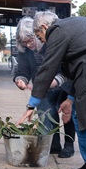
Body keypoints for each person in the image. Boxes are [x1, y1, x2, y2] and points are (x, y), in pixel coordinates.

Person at [17, 11, 86, 169]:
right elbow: (75, 66)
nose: (42, 41)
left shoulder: (57, 31)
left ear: (45, 27)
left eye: (39, 36)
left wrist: (32, 104)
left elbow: (47, 69)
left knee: (81, 116)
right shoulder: (78, 23)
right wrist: (70, 97)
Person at [14, 17, 75, 158]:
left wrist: (54, 81)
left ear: (37, 35)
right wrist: (20, 80)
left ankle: (69, 144)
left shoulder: (52, 43)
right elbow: (22, 71)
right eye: (24, 42)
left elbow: (64, 68)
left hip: (63, 82)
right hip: (44, 86)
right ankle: (53, 144)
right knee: (46, 111)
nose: (28, 45)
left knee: (67, 112)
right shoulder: (25, 51)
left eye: (30, 40)